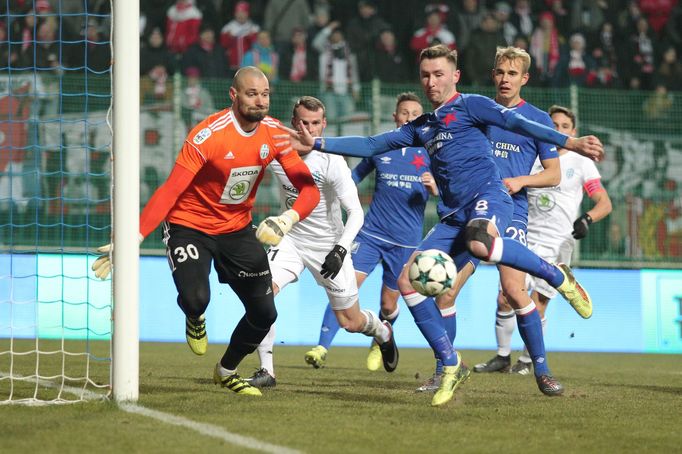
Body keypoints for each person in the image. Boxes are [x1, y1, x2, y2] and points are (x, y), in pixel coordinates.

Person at [280, 44, 604, 407]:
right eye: (426, 75)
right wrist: (318, 142)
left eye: (438, 74)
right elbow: (373, 144)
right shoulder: (424, 126)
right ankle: (450, 363)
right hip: (454, 215)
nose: (432, 82)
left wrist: (569, 141)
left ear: (455, 76)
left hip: (490, 197)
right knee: (407, 282)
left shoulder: (472, 105)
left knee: (484, 246)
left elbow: (515, 121)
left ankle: (557, 279)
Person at [92, 67, 320, 397]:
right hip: (189, 226)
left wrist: (286, 219)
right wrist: (133, 239)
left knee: (265, 312)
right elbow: (170, 190)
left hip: (236, 229)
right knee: (197, 299)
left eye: (265, 94)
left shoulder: (274, 133)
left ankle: (226, 371)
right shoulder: (208, 135)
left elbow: (308, 189)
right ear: (234, 95)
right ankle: (194, 315)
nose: (260, 101)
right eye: (251, 93)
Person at [419, 45, 563, 394]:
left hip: (510, 208)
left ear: (524, 79)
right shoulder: (478, 110)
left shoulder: (537, 120)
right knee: (445, 292)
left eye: (512, 73)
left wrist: (521, 181)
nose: (504, 79)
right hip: (469, 210)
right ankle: (446, 368)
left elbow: (554, 174)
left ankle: (541, 370)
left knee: (513, 291)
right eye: (499, 72)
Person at [245, 96, 399, 388]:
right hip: (290, 239)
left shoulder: (332, 160)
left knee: (349, 322)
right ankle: (267, 371)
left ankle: (382, 332)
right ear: (294, 122)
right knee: (261, 295)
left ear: (324, 125)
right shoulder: (278, 148)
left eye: (316, 124)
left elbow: (355, 213)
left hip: (329, 246)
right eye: (304, 122)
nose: (309, 129)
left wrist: (340, 250)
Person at [303, 92, 439, 372]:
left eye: (415, 113)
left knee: (388, 305)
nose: (409, 117)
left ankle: (380, 340)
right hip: (371, 234)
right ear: (395, 116)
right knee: (344, 286)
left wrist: (436, 189)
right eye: (404, 113)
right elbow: (350, 179)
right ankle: (321, 347)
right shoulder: (383, 147)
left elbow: (449, 191)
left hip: (405, 242)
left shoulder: (429, 152)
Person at [496, 105, 612, 375]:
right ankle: (502, 357)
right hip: (525, 234)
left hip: (558, 242)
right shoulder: (537, 156)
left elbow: (604, 202)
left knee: (537, 304)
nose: (558, 130)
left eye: (564, 127)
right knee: (505, 297)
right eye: (554, 125)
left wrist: (587, 219)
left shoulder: (581, 162)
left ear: (573, 132)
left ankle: (526, 361)